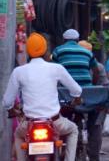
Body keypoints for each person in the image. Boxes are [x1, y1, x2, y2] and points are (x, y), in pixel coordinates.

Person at [2, 33, 82, 161]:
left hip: (29, 124)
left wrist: (11, 110)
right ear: (45, 51)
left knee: (18, 135)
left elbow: (7, 102)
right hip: (55, 122)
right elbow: (77, 90)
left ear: (28, 51)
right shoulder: (56, 68)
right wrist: (77, 98)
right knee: (73, 130)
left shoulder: (19, 71)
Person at [53, 29, 103, 161]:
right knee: (94, 123)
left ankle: (63, 149)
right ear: (77, 40)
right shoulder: (87, 52)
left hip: (66, 94)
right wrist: (92, 84)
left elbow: (53, 70)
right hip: (87, 93)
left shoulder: (58, 51)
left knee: (62, 118)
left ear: (64, 40)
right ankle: (94, 156)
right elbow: (96, 71)